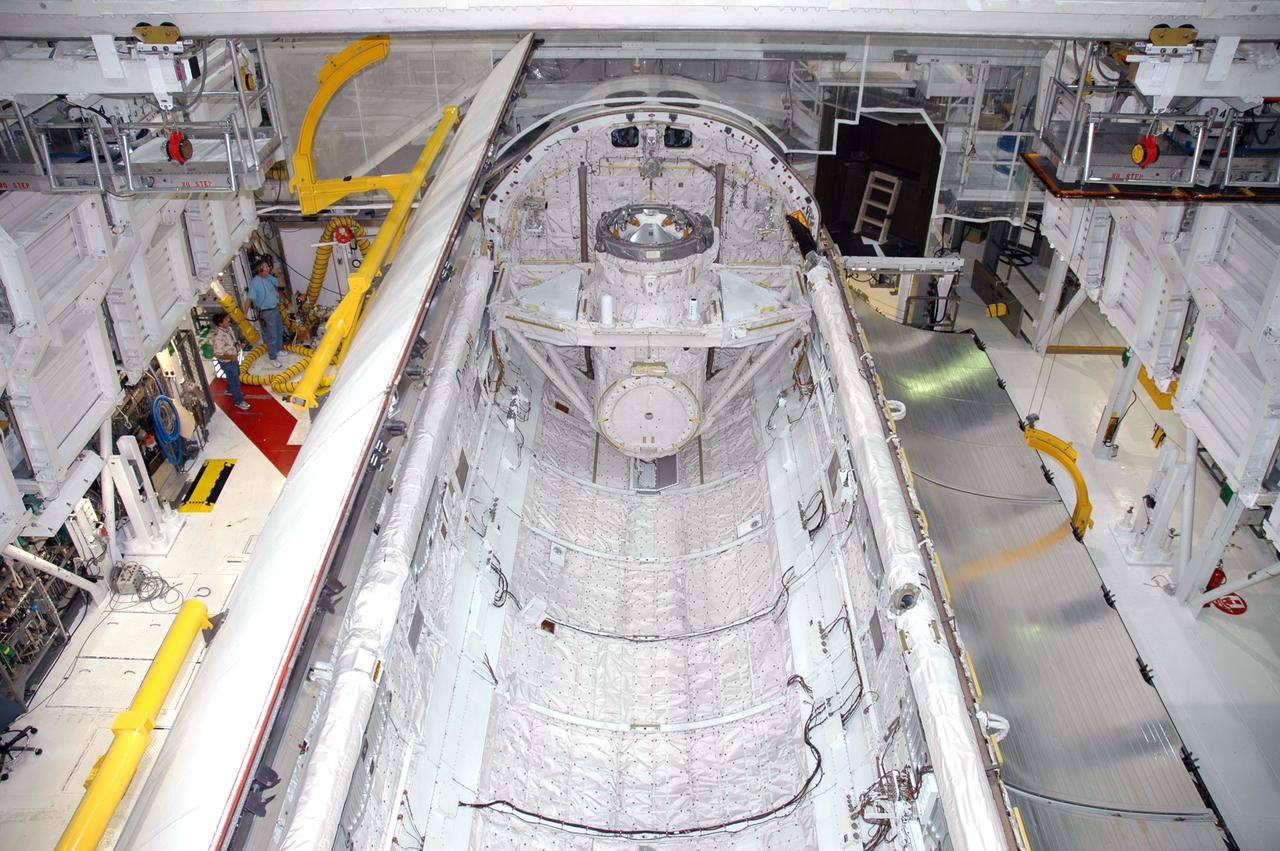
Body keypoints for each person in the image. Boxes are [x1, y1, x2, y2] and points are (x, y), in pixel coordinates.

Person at [210, 312, 251, 411]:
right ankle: (239, 401)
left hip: (233, 358)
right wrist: (230, 357)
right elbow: (217, 354)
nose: (229, 320)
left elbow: (232, 341)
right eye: (226, 319)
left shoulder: (228, 329)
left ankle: (229, 390)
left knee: (234, 376)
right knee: (235, 381)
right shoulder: (218, 337)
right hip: (228, 362)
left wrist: (237, 345)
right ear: (220, 323)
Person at [248, 258, 285, 367]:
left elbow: (281, 285)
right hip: (266, 312)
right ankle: (273, 357)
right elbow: (249, 299)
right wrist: (244, 314)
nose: (268, 268)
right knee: (272, 335)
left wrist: (277, 274)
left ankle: (278, 350)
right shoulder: (254, 283)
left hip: (275, 309)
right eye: (266, 267)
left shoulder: (269, 278)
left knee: (279, 331)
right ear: (260, 269)